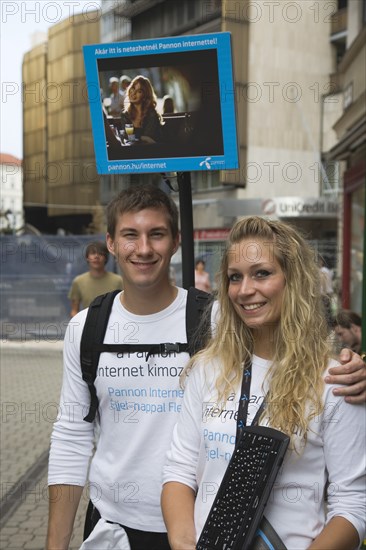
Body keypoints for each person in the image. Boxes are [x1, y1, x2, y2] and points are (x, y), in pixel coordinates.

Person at [46, 189, 366, 550]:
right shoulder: (90, 329)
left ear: (176, 241)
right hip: (122, 527)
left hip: (211, 529)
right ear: (111, 243)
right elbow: (72, 439)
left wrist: (355, 369)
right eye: (130, 235)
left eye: (157, 234)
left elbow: (295, 343)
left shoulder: (211, 317)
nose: (144, 248)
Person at [162, 216, 366, 550]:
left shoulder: (335, 381)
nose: (245, 290)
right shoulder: (207, 369)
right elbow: (179, 471)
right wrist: (185, 544)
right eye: (234, 277)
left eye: (262, 273)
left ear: (293, 280)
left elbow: (353, 504)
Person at [68, 241, 123, 317]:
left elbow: (124, 308)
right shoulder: (78, 281)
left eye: (100, 254)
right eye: (93, 253)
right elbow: (74, 311)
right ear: (87, 257)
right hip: (88, 325)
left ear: (106, 258)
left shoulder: (118, 281)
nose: (96, 256)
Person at [121, 75, 162, 143]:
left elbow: (149, 140)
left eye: (139, 91)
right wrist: (143, 137)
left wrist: (137, 137)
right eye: (133, 88)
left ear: (145, 96)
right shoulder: (125, 115)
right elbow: (127, 137)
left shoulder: (151, 114)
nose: (133, 93)